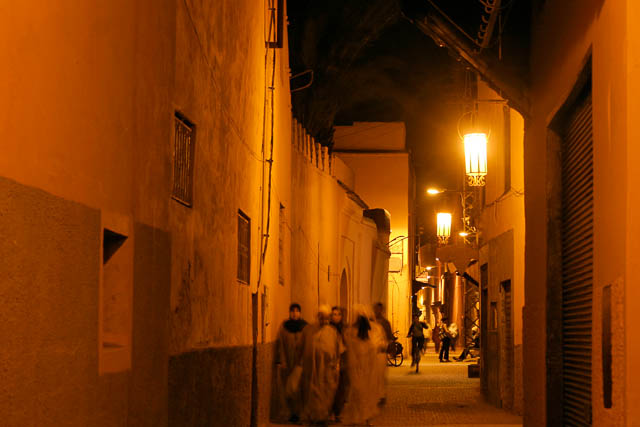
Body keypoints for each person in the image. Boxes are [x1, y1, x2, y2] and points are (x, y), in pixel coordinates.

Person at [300, 305, 344, 425]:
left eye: (326, 318)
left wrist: (337, 365)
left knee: (326, 394)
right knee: (312, 394)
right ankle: (313, 417)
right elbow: (301, 348)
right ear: (318, 316)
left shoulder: (333, 332)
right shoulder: (308, 330)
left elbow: (338, 351)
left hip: (327, 371)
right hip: (312, 371)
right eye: (321, 317)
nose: (324, 320)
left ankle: (323, 417)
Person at [341, 304, 380, 425]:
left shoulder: (362, 333)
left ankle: (364, 417)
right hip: (360, 369)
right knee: (359, 394)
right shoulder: (354, 333)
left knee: (361, 394)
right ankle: (361, 418)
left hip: (365, 370)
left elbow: (372, 350)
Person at [272, 303, 308, 423]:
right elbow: (280, 344)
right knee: (288, 389)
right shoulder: (284, 327)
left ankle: (300, 412)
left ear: (300, 313)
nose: (295, 313)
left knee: (298, 388)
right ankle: (293, 412)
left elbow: (308, 345)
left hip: (300, 363)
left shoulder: (305, 327)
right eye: (292, 311)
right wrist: (282, 360)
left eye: (297, 311)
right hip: (288, 362)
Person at [330, 306, 347, 422]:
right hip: (330, 364)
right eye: (334, 314)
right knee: (330, 388)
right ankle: (329, 412)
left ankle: (338, 412)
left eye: (338, 314)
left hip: (343, 363)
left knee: (341, 389)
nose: (336, 316)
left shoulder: (345, 329)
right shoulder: (328, 329)